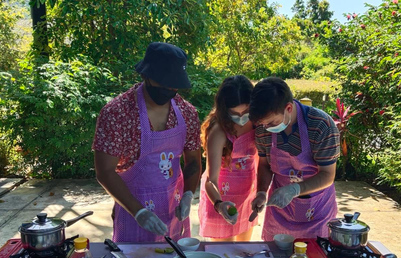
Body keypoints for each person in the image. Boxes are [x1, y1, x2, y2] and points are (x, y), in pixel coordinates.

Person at [93, 42, 201, 242]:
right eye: (164, 83)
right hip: (132, 210)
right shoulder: (117, 113)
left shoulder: (187, 113)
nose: (169, 89)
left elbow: (194, 161)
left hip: (175, 209)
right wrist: (139, 212)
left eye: (174, 85)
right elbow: (105, 172)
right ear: (145, 75)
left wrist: (188, 195)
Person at [249, 77, 340, 241]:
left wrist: (294, 190)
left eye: (271, 122)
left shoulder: (321, 125)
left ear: (288, 108)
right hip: (280, 211)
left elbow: (327, 175)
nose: (267, 128)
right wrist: (261, 192)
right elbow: (264, 165)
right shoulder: (263, 129)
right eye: (263, 124)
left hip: (317, 208)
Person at [198, 75, 259, 241]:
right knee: (223, 255)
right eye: (234, 114)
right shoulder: (218, 130)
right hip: (220, 197)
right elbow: (211, 179)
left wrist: (261, 192)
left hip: (247, 197)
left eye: (246, 112)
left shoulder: (258, 123)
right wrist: (219, 204)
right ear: (224, 110)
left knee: (243, 253)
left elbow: (263, 161)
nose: (241, 118)